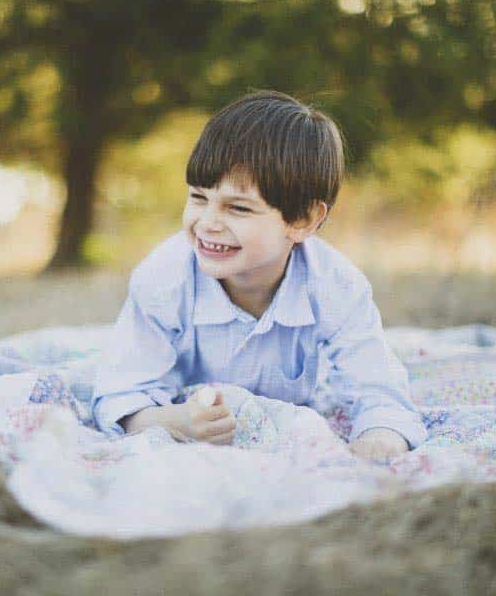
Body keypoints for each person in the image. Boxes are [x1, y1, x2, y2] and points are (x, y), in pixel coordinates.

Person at [90, 89, 427, 462]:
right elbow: (119, 399)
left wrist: (375, 444)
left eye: (238, 208)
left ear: (303, 220)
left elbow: (383, 395)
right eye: (199, 198)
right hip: (188, 414)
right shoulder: (164, 280)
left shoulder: (336, 286)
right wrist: (176, 421)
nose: (208, 223)